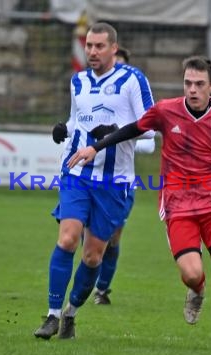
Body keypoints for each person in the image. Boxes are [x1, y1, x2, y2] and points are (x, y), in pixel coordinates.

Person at [67, 56, 211, 353]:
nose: (192, 89)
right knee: (192, 274)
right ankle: (197, 290)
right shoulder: (167, 111)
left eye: (199, 84)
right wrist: (95, 147)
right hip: (178, 204)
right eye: (188, 83)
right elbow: (132, 129)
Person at [34, 22, 155, 340]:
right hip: (77, 175)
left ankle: (71, 315)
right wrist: (64, 130)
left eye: (99, 46)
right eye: (88, 46)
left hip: (114, 182)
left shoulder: (133, 79)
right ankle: (52, 314)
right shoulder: (78, 81)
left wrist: (112, 134)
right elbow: (78, 120)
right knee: (67, 239)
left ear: (114, 48)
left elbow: (151, 127)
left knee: (92, 256)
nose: (92, 52)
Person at [92, 46, 155, 306]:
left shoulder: (135, 102)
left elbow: (150, 142)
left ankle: (102, 290)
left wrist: (120, 140)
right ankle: (86, 282)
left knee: (113, 235)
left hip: (121, 182)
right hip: (91, 179)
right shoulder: (93, 96)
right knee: (90, 239)